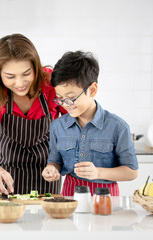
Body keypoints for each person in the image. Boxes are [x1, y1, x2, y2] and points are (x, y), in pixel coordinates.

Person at [0, 33, 66, 195]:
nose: (20, 83)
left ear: (35, 67)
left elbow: (73, 123)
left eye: (26, 73)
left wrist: (57, 164)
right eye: (10, 76)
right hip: (2, 176)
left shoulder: (50, 83)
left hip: (46, 174)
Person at [42, 51, 138, 196]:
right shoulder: (57, 126)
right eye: (60, 98)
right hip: (70, 195)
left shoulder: (117, 127)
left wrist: (98, 172)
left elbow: (131, 172)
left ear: (92, 90)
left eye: (71, 97)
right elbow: (55, 161)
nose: (65, 104)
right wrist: (51, 169)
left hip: (105, 197)